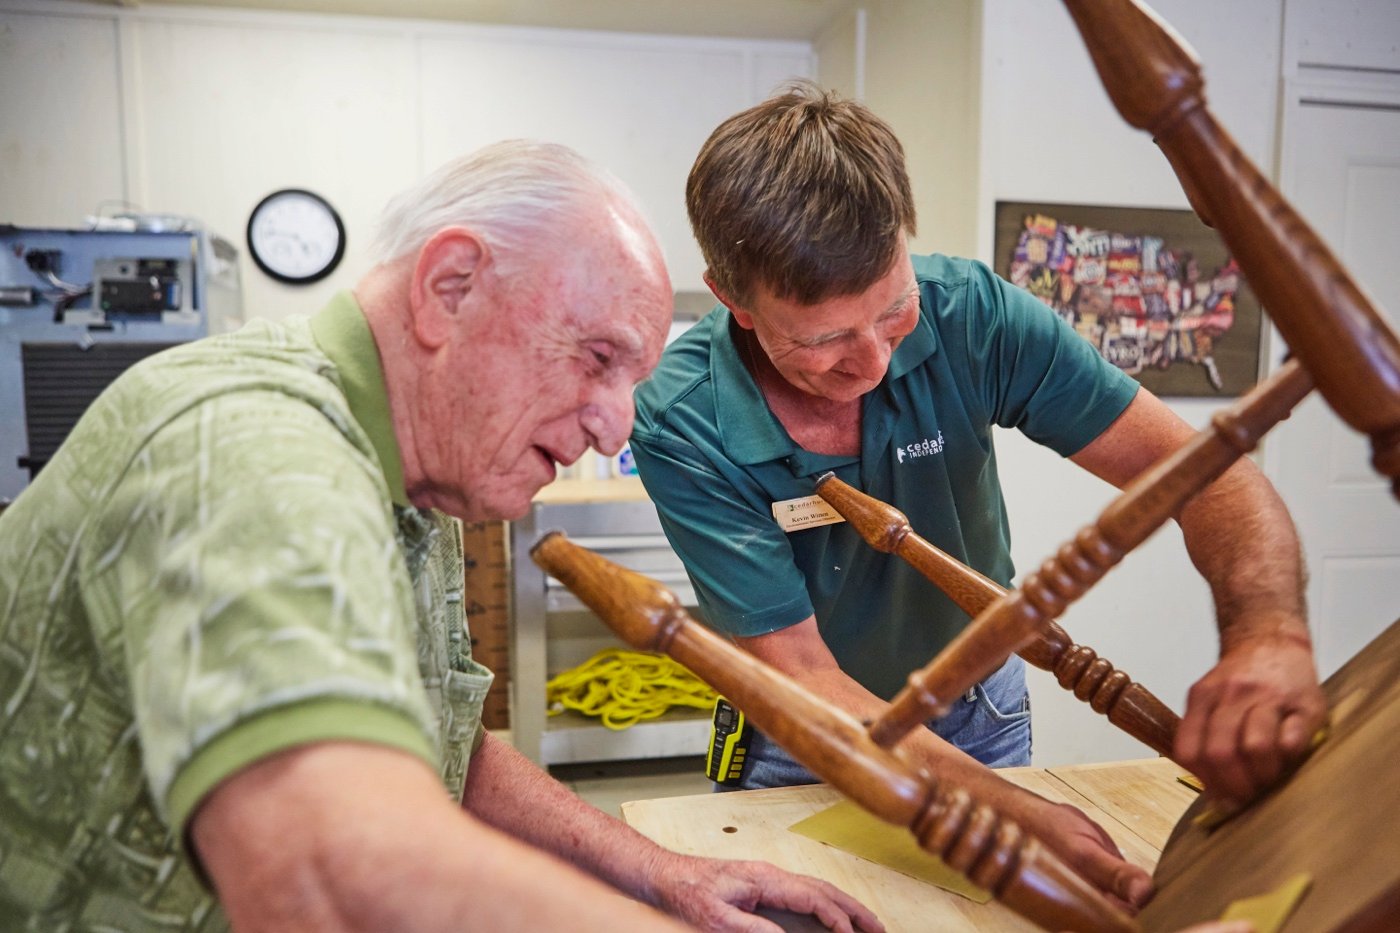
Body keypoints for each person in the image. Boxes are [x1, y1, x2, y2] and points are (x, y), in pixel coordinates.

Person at [0, 140, 882, 933]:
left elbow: (447, 746)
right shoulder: (252, 448)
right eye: (597, 358)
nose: (618, 429)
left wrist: (664, 876)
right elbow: (330, 869)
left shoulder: (417, 480)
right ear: (448, 286)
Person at [628, 81, 1327, 911]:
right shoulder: (684, 416)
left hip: (979, 714)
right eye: (823, 342)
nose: (874, 365)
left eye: (893, 314)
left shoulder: (972, 318)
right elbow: (803, 674)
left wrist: (1267, 633)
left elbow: (1206, 472)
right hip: (802, 741)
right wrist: (1005, 810)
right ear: (731, 298)